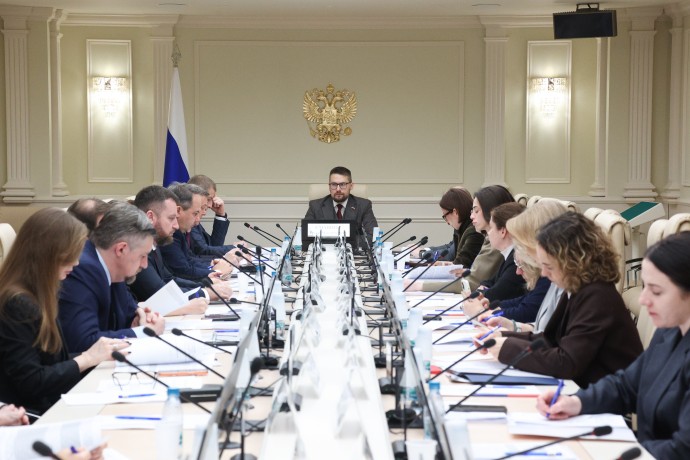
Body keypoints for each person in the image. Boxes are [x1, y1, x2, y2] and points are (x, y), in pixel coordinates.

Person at [537, 231, 690, 459]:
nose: (643, 299)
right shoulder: (670, 330)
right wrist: (576, 402)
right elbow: (626, 385)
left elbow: (683, 449)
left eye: (656, 291)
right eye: (644, 287)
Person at [481, 212, 642, 388]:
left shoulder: (598, 297)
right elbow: (551, 339)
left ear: (572, 262)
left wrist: (507, 349)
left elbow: (566, 362)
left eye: (548, 266)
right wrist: (503, 337)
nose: (543, 273)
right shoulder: (579, 287)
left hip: (606, 398)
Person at [0, 208, 130, 413]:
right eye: (71, 255)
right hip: (30, 415)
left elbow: (51, 361)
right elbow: (31, 382)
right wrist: (86, 359)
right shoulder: (17, 303)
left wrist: (95, 355)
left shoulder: (38, 294)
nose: (76, 263)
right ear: (49, 253)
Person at [59, 202, 165, 353]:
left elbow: (130, 315)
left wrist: (140, 319)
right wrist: (142, 333)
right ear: (121, 249)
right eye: (143, 256)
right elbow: (83, 342)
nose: (145, 264)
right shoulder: (82, 269)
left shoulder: (116, 269)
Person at [129, 185, 232, 314]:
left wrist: (206, 283)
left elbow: (169, 279)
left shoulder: (154, 243)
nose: (176, 226)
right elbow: (159, 293)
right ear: (150, 217)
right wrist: (204, 293)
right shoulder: (136, 248)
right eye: (171, 218)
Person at [479, 199, 568, 332]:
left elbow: (531, 313)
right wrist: (503, 318)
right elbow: (541, 327)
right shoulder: (553, 273)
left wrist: (494, 313)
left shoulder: (556, 277)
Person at [160, 183, 234, 281]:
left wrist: (211, 265)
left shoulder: (179, 230)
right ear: (178, 210)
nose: (198, 218)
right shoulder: (170, 233)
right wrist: (215, 271)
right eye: (196, 213)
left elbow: (190, 259)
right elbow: (182, 270)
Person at [304, 166, 378, 250]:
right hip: (324, 252)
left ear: (351, 186)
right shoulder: (315, 206)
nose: (338, 189)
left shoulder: (364, 205)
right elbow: (306, 235)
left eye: (342, 184)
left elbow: (373, 236)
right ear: (329, 186)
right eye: (334, 184)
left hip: (353, 253)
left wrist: (343, 244)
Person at [420, 187, 483, 266]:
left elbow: (460, 264)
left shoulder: (473, 231)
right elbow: (451, 248)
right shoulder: (462, 228)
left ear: (455, 212)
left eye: (445, 216)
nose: (446, 222)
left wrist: (423, 254)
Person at [188, 174, 236, 257]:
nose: (210, 205)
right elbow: (203, 250)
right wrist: (235, 248)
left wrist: (220, 215)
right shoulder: (187, 221)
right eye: (209, 199)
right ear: (196, 196)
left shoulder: (195, 220)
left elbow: (213, 246)